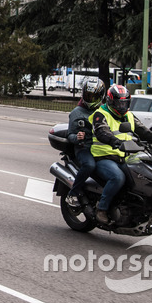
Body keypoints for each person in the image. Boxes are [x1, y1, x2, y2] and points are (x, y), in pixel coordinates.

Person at [90, 84, 152, 224]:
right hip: (104, 157)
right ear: (110, 101)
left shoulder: (129, 115)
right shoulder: (101, 114)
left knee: (143, 175)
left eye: (124, 102)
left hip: (125, 157)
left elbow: (143, 130)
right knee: (117, 178)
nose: (122, 106)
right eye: (118, 102)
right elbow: (102, 132)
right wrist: (114, 142)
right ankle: (101, 209)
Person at [64, 78, 106, 208]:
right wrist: (77, 137)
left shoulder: (104, 111)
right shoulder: (76, 113)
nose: (91, 99)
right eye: (88, 96)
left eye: (94, 97)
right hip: (84, 148)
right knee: (89, 165)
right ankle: (73, 193)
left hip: (102, 148)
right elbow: (69, 134)